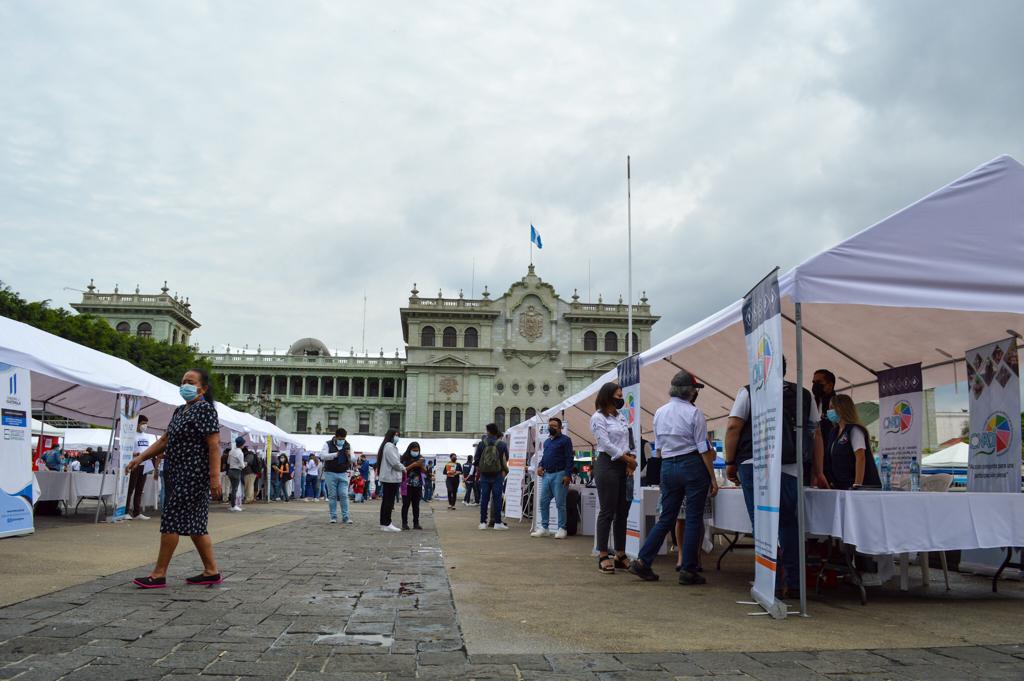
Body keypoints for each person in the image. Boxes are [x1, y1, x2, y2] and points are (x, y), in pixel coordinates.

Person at [723, 357, 826, 597]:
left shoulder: (748, 391)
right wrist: (818, 471)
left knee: (762, 522)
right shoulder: (804, 394)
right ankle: (795, 581)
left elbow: (733, 427)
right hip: (791, 465)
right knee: (789, 524)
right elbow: (816, 434)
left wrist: (730, 462)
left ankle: (772, 581)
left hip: (754, 463)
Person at [126, 368, 222, 589]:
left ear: (203, 388)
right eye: (183, 381)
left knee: (171, 519)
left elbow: (213, 444)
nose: (184, 385)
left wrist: (214, 476)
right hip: (177, 472)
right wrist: (140, 458)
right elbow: (164, 441)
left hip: (193, 474)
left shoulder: (205, 409)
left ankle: (159, 573)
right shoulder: (180, 411)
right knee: (196, 525)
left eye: (190, 381)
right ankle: (211, 571)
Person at [629, 371, 717, 585]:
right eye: (696, 389)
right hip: (692, 464)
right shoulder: (694, 413)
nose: (697, 393)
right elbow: (703, 448)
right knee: (694, 518)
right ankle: (688, 569)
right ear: (690, 391)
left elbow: (657, 448)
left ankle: (643, 560)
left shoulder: (659, 412)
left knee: (667, 517)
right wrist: (713, 478)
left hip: (668, 465)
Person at [590, 381, 638, 574]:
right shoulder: (598, 417)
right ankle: (603, 554)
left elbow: (630, 440)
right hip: (607, 464)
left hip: (624, 466)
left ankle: (620, 553)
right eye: (618, 396)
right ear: (607, 396)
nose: (620, 400)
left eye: (621, 397)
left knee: (622, 512)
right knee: (607, 511)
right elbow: (605, 443)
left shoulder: (621, 418)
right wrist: (626, 458)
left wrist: (631, 461)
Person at [532, 417, 575, 539]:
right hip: (547, 475)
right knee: (543, 501)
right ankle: (544, 528)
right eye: (550, 425)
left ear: (560, 428)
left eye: (554, 426)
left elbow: (569, 459)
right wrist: (540, 466)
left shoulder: (566, 440)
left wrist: (567, 475)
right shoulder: (547, 442)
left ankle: (562, 528)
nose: (551, 427)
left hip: (560, 474)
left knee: (560, 503)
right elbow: (545, 457)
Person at [827, 394, 881, 490]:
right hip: (841, 486)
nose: (829, 411)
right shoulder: (834, 432)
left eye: (832, 407)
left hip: (859, 487)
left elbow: (860, 457)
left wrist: (857, 485)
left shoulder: (854, 430)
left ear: (841, 408)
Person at [475, 424, 510, 530]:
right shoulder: (502, 444)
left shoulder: (482, 444)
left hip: (485, 475)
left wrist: (481, 470)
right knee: (497, 499)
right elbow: (506, 458)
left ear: (488, 431)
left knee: (484, 499)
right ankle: (497, 523)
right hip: (498, 475)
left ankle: (482, 522)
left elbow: (476, 460)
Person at [320, 429, 353, 524]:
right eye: (340, 438)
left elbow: (353, 459)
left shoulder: (347, 445)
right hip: (330, 473)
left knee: (344, 495)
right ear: (336, 436)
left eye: (343, 438)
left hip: (343, 473)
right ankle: (333, 516)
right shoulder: (327, 444)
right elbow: (322, 456)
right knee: (332, 495)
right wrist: (335, 454)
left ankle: (346, 517)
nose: (342, 440)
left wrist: (349, 456)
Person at [126, 415, 154, 520]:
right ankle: (126, 511)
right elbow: (126, 450)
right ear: (137, 424)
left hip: (145, 464)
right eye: (143, 423)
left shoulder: (147, 436)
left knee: (139, 489)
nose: (145, 425)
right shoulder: (132, 435)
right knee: (130, 489)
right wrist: (135, 454)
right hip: (134, 464)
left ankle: (137, 513)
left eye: (146, 423)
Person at [812, 369, 838, 481]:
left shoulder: (836, 404)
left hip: (831, 459)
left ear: (830, 385)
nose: (815, 385)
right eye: (813, 382)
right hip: (813, 458)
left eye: (819, 382)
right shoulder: (812, 403)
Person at [376, 429, 404, 531]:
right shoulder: (389, 447)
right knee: (389, 501)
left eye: (398, 435)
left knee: (386, 501)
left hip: (389, 477)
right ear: (391, 435)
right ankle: (387, 522)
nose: (397, 437)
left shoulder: (387, 446)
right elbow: (395, 463)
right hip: (391, 478)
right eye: (396, 435)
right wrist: (403, 468)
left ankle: (384, 523)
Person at [400, 442, 427, 530]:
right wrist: (414, 465)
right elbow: (403, 470)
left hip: (417, 485)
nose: (415, 452)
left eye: (417, 450)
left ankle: (416, 523)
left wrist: (421, 465)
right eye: (414, 450)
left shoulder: (421, 458)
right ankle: (404, 523)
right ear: (410, 450)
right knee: (406, 504)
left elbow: (425, 471)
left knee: (416, 505)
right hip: (407, 485)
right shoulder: (404, 458)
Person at [225, 436, 245, 512]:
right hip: (236, 471)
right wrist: (244, 465)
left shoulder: (231, 451)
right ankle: (233, 506)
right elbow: (242, 465)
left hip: (230, 470)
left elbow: (228, 462)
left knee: (232, 488)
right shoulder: (240, 453)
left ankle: (232, 505)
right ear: (242, 444)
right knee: (234, 489)